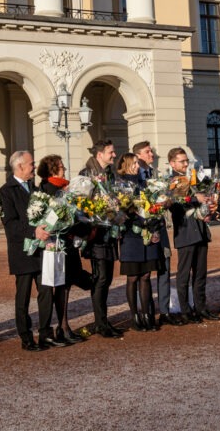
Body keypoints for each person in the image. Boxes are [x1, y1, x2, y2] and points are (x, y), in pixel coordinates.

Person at [0, 151, 66, 351]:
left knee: (46, 290)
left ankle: (46, 332)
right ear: (20, 166)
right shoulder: (6, 191)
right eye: (31, 164)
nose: (33, 167)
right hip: (21, 251)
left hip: (41, 249)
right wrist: (33, 231)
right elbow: (10, 225)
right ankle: (26, 335)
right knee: (23, 295)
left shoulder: (35, 188)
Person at [37, 154, 92, 343]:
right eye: (61, 166)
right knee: (59, 285)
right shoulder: (47, 189)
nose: (64, 169)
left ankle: (64, 326)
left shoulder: (65, 188)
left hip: (68, 243)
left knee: (66, 285)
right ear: (53, 169)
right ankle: (61, 326)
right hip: (56, 244)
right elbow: (49, 218)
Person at [168, 147, 220, 323]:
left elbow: (203, 197)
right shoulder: (170, 181)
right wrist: (195, 199)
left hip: (200, 230)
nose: (185, 164)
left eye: (186, 161)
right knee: (184, 275)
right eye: (182, 161)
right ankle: (185, 310)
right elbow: (175, 205)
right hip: (185, 233)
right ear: (172, 163)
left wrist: (209, 204)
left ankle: (201, 308)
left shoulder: (194, 178)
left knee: (200, 274)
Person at [133, 141, 180, 327]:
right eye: (147, 152)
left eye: (151, 151)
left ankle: (165, 311)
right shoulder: (134, 177)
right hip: (143, 229)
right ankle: (147, 311)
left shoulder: (155, 174)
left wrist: (167, 201)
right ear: (138, 155)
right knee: (144, 272)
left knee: (165, 267)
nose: (151, 154)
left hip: (159, 225)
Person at [79, 139, 122, 337]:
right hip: (96, 235)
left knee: (107, 278)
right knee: (101, 278)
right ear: (99, 155)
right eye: (110, 152)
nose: (114, 155)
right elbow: (80, 205)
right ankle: (100, 323)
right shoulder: (86, 174)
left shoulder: (110, 175)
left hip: (110, 233)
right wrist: (97, 212)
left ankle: (102, 321)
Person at [118, 153, 164, 331]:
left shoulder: (144, 183)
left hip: (147, 233)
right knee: (133, 277)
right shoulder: (120, 184)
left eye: (138, 163)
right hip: (131, 235)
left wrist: (154, 221)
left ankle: (147, 315)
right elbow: (121, 211)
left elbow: (153, 206)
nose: (138, 166)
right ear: (126, 164)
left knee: (146, 276)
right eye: (134, 163)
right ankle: (134, 316)